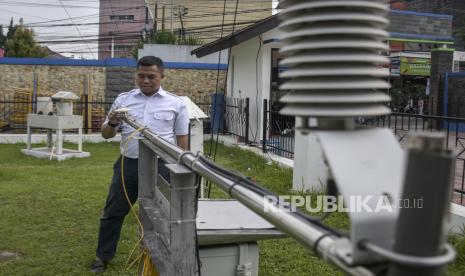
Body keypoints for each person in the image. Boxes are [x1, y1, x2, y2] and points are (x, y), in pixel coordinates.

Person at [90, 56, 189, 273]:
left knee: (166, 215)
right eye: (141, 76)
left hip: (162, 166)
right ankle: (102, 257)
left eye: (151, 76)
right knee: (113, 211)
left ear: (162, 77)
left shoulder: (176, 103)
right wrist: (114, 121)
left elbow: (182, 139)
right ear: (136, 75)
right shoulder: (123, 100)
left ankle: (169, 255)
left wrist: (180, 166)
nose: (145, 81)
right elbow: (106, 134)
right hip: (129, 166)